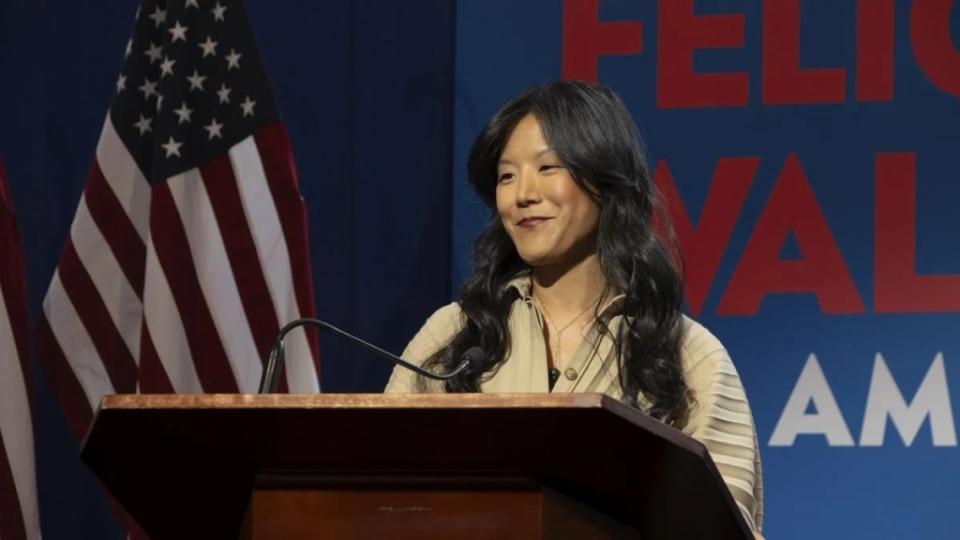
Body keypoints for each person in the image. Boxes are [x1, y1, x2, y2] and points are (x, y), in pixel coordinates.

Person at [384, 80, 763, 536]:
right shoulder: (454, 334)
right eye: (506, 176)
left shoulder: (687, 355)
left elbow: (724, 528)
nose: (522, 194)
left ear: (605, 181)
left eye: (548, 167)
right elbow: (382, 494)